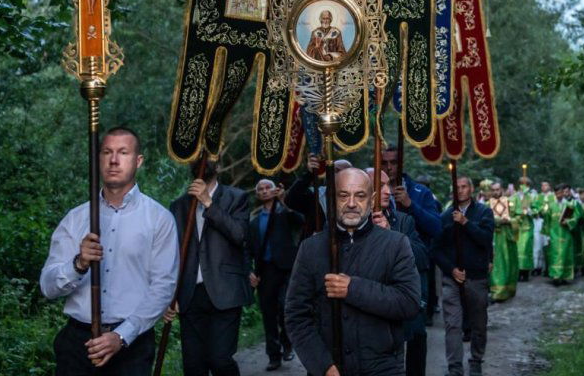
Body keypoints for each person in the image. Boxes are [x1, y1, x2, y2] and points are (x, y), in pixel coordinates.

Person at [40, 127, 179, 375]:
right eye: (107, 152)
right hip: (77, 344)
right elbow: (48, 287)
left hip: (131, 346)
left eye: (123, 152)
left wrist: (121, 336)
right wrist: (78, 264)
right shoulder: (76, 218)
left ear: (138, 161)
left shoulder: (159, 219)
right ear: (99, 159)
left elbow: (162, 287)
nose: (113, 160)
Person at [285, 168, 421, 376]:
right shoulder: (310, 248)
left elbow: (409, 303)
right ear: (331, 197)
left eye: (360, 195)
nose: (351, 203)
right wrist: (323, 366)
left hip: (383, 368)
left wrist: (353, 288)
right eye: (343, 195)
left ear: (371, 199)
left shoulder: (395, 244)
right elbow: (296, 316)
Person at [164, 156, 251, 376]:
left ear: (219, 166)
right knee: (194, 366)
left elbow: (239, 235)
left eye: (210, 156)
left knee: (220, 360)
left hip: (225, 293)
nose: (202, 160)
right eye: (196, 157)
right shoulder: (178, 206)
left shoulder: (236, 198)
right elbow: (172, 255)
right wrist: (170, 296)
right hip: (190, 295)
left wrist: (208, 203)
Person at [367, 168, 429, 376]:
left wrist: (392, 235)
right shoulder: (349, 226)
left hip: (402, 309)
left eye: (388, 185)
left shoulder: (403, 221)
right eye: (380, 186)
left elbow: (422, 258)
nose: (388, 191)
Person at [431, 176, 494, 376]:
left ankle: (476, 360)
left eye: (464, 186)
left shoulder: (484, 212)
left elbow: (485, 240)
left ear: (472, 189)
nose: (460, 190)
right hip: (452, 279)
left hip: (476, 277)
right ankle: (454, 367)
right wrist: (451, 269)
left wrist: (466, 223)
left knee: (478, 323)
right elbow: (436, 249)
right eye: (456, 187)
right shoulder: (445, 216)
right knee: (452, 324)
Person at [380, 145, 442, 325]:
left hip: (415, 266)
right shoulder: (370, 192)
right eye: (384, 163)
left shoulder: (420, 193)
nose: (389, 167)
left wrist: (410, 205)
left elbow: (436, 228)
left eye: (393, 163)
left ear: (401, 164)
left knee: (415, 328)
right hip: (381, 267)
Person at [247, 179, 304, 371]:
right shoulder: (254, 222)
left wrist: (284, 202)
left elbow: (301, 221)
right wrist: (250, 271)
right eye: (260, 189)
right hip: (266, 271)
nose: (264, 191)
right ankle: (274, 355)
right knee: (268, 314)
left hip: (287, 268)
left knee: (284, 307)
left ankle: (288, 344)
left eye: (267, 188)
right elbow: (247, 250)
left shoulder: (284, 214)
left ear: (275, 190)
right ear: (257, 195)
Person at [284, 155, 352, 238]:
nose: (332, 173)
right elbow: (290, 200)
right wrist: (309, 174)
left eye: (337, 171)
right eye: (331, 170)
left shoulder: (356, 199)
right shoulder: (316, 195)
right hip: (314, 247)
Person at [543, 183, 582, 286]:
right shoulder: (551, 205)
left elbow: (576, 217)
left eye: (560, 193)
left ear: (563, 193)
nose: (558, 195)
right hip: (554, 235)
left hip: (566, 234)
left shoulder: (570, 205)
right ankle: (556, 277)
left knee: (566, 255)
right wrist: (547, 235)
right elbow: (547, 221)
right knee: (555, 256)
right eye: (556, 193)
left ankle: (565, 276)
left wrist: (568, 222)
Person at [488, 181, 518, 301]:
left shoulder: (511, 203)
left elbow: (519, 217)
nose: (496, 192)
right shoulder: (487, 204)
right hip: (493, 237)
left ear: (503, 189)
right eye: (493, 190)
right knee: (496, 263)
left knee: (509, 262)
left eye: (498, 189)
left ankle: (508, 289)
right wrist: (496, 221)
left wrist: (510, 220)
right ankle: (497, 291)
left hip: (507, 237)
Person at [511, 177, 536, 281]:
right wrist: (519, 211)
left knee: (526, 250)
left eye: (526, 184)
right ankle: (517, 272)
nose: (523, 186)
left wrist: (530, 211)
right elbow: (511, 209)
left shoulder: (531, 197)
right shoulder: (514, 197)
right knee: (516, 250)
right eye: (521, 184)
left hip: (527, 227)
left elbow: (536, 209)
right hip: (516, 227)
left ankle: (525, 272)